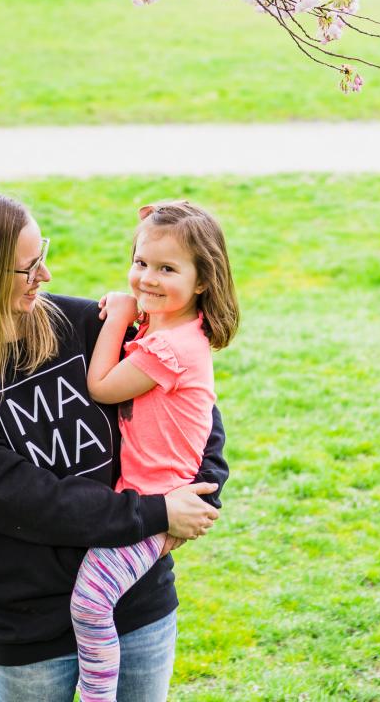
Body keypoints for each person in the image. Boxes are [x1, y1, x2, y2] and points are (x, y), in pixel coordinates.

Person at [0, 188, 228, 702]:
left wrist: (201, 493)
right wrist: (156, 512)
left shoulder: (82, 324)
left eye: (43, 258)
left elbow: (190, 411)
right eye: (28, 269)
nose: (46, 278)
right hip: (27, 626)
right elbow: (27, 501)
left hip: (133, 601)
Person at [74, 201, 237, 702]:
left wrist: (118, 316)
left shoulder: (169, 348)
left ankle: (99, 695)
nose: (146, 278)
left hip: (157, 500)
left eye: (167, 269)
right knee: (97, 598)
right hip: (155, 492)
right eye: (141, 262)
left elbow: (101, 386)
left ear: (202, 280)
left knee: (91, 602)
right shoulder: (173, 329)